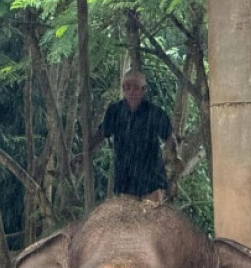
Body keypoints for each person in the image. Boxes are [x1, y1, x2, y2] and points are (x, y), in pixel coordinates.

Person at [74, 69, 180, 202]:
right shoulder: (115, 111)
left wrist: (174, 164)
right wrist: (86, 152)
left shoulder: (155, 113)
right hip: (126, 176)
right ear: (123, 89)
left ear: (143, 90)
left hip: (152, 176)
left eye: (136, 88)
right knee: (128, 218)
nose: (131, 92)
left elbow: (170, 139)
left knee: (154, 216)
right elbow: (102, 133)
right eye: (127, 87)